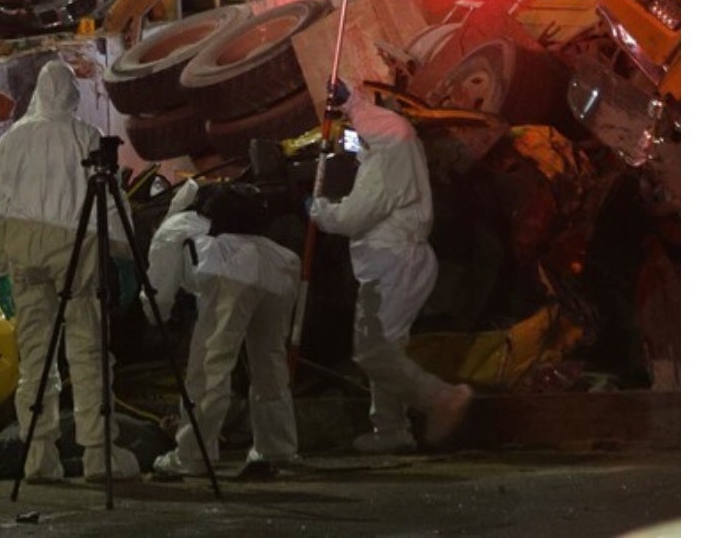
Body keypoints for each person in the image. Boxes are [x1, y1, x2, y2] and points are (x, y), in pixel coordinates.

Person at [0, 59, 142, 484]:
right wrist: (125, 259)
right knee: (87, 351)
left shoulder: (12, 141)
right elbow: (110, 204)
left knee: (35, 357)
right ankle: (98, 454)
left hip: (25, 250)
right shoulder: (85, 137)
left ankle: (38, 457)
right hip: (75, 249)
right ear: (73, 95)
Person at [307, 81, 473, 454]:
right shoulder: (401, 143)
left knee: (372, 351)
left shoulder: (384, 164)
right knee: (387, 349)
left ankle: (441, 398)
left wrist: (319, 211)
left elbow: (352, 217)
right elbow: (374, 121)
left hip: (391, 263)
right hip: (401, 260)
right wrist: (350, 102)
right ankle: (390, 429)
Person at [146, 180, 300, 476]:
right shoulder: (219, 227)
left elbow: (158, 289)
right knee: (269, 360)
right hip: (279, 267)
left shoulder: (172, 227)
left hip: (229, 270)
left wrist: (156, 316)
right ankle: (278, 447)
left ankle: (194, 454)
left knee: (209, 366)